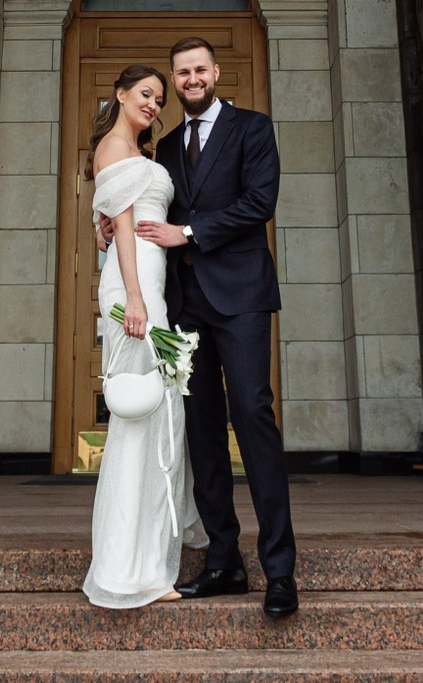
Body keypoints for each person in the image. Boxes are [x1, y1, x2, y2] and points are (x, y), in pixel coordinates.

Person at [138, 36, 297, 617]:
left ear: (216, 72)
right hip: (186, 306)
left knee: (252, 414)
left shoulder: (253, 128)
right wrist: (118, 228)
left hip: (244, 297)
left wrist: (193, 233)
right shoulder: (169, 145)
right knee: (201, 429)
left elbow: (261, 202)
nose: (191, 80)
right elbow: (155, 210)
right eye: (181, 73)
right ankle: (224, 561)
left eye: (199, 69)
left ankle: (280, 570)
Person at [80, 64, 202, 608]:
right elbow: (121, 229)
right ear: (121, 94)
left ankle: (151, 552)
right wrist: (133, 297)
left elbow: (105, 227)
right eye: (145, 95)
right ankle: (128, 568)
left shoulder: (139, 152)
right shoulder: (114, 146)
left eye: (159, 98)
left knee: (157, 414)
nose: (154, 104)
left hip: (150, 282)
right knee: (139, 418)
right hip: (135, 291)